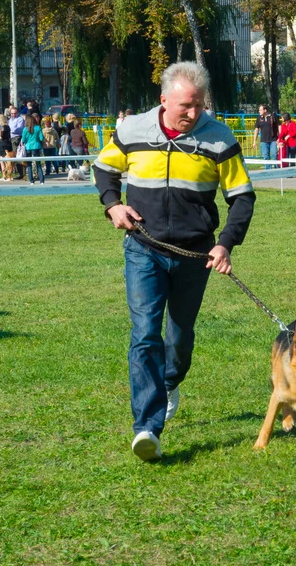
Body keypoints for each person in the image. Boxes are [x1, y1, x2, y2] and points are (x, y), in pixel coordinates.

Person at [93, 61, 255, 461]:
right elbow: (104, 169)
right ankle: (147, 427)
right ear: (163, 100)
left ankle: (169, 381)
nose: (193, 114)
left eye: (199, 106)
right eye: (185, 105)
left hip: (194, 257)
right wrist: (113, 205)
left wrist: (225, 245)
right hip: (143, 249)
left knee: (179, 340)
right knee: (145, 333)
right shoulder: (131, 130)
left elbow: (242, 197)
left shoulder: (218, 138)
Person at [21, 113, 45, 185]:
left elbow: (23, 140)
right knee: (38, 164)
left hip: (28, 147)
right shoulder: (38, 128)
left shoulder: (25, 129)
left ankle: (31, 180)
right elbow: (41, 138)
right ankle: (41, 180)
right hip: (36, 146)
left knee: (29, 164)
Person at [253, 104, 279, 168]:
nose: (259, 111)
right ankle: (268, 172)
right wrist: (254, 141)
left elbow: (279, 126)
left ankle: (277, 170)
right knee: (266, 156)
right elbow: (256, 129)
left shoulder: (273, 116)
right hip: (263, 141)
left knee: (274, 154)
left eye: (260, 110)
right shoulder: (259, 118)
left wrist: (279, 138)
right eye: (259, 110)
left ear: (265, 110)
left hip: (273, 140)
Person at [8, 106, 26, 179]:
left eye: (15, 113)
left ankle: (22, 174)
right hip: (11, 138)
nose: (13, 115)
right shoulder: (10, 120)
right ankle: (19, 172)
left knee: (18, 155)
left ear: (17, 113)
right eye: (12, 113)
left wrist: (11, 129)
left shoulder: (20, 119)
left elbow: (19, 129)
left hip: (17, 138)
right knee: (13, 156)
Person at [0, 113, 14, 181]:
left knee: (5, 161)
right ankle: (5, 176)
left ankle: (7, 176)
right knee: (4, 161)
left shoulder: (4, 127)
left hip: (4, 145)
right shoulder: (8, 127)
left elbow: (1, 136)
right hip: (6, 144)